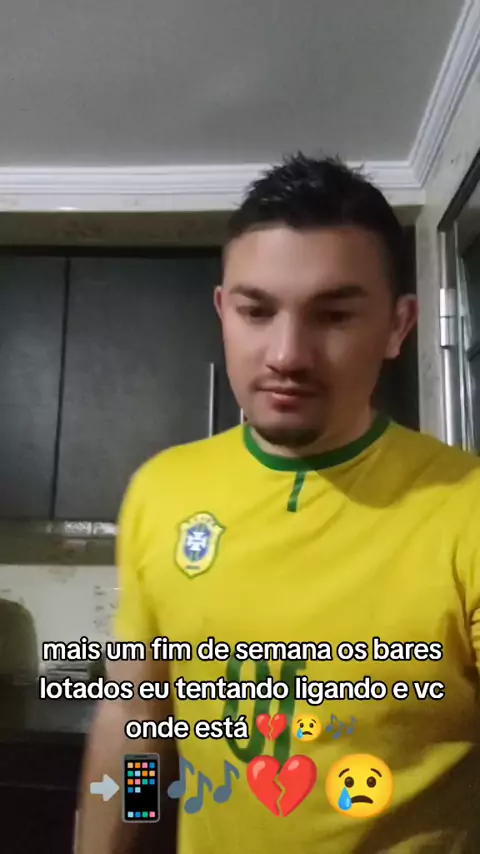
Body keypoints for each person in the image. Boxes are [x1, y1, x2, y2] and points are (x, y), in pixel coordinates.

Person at [76, 154, 480, 854]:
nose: (287, 355)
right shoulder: (162, 491)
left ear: (398, 326)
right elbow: (140, 721)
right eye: (257, 311)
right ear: (223, 313)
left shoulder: (464, 509)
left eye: (334, 314)